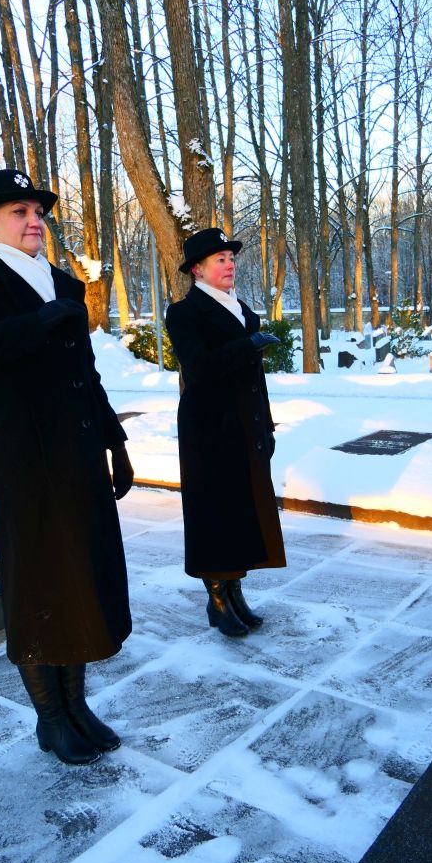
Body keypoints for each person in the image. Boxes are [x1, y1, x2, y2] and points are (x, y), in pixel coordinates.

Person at [0, 169, 133, 765]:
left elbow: (85, 373)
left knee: (79, 579)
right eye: (19, 212)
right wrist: (36, 323)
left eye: (38, 211)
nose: (34, 221)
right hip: (24, 458)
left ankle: (76, 705)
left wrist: (114, 438)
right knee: (38, 583)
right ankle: (50, 718)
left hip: (78, 454)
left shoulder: (63, 283)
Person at [165, 227, 286, 637]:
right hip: (208, 431)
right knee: (214, 515)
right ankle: (217, 599)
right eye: (220, 259)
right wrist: (247, 346)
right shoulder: (184, 313)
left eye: (231, 258)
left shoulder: (243, 310)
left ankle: (234, 592)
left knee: (240, 513)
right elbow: (198, 368)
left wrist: (266, 425)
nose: (230, 264)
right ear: (197, 270)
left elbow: (256, 381)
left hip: (244, 428)